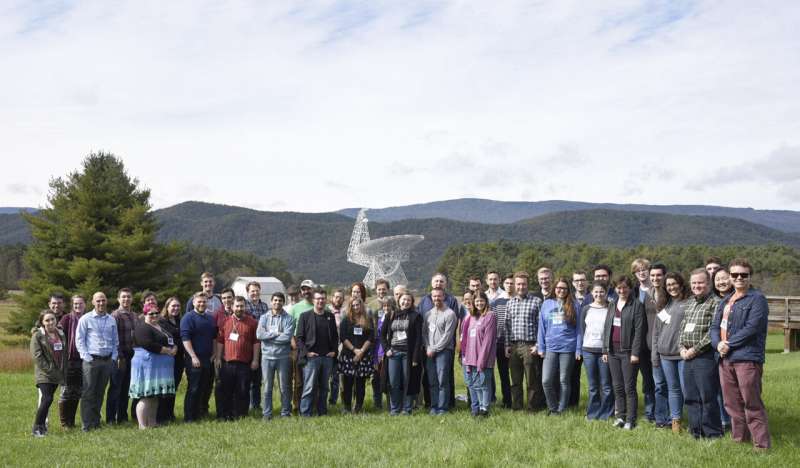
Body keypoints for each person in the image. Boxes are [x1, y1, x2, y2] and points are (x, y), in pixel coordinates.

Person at [712, 259, 771, 450]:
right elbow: (714, 327)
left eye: (743, 275)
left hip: (747, 358)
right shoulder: (725, 301)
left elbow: (752, 328)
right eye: (735, 275)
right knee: (731, 404)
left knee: (751, 403)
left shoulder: (757, 299)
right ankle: (740, 440)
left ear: (749, 277)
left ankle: (761, 445)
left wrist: (728, 343)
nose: (739, 278)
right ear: (730, 277)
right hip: (725, 359)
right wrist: (717, 344)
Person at [679, 269, 723, 439]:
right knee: (690, 396)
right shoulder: (690, 302)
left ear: (708, 283)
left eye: (700, 282)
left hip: (704, 356)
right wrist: (681, 348)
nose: (697, 286)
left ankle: (712, 432)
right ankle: (695, 430)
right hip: (686, 355)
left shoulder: (716, 303)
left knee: (707, 396)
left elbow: (713, 331)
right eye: (694, 283)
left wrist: (694, 349)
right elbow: (682, 329)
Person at [602, 276, 643, 430]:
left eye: (625, 287)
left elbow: (639, 331)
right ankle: (620, 417)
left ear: (630, 288)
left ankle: (631, 420)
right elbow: (607, 327)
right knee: (617, 386)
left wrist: (635, 352)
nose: (622, 290)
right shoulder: (612, 304)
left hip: (628, 352)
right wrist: (605, 349)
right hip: (612, 351)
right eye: (619, 288)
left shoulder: (636, 305)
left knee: (629, 388)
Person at [651, 272, 690, 433]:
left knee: (686, 388)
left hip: (682, 354)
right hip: (665, 354)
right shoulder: (664, 305)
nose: (672, 287)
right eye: (668, 285)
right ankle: (676, 422)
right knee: (673, 389)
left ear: (681, 284)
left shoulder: (690, 303)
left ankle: (695, 420)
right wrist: (655, 355)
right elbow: (656, 332)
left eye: (674, 284)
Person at [538, 277, 582, 415]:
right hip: (550, 347)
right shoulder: (547, 304)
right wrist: (541, 347)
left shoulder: (574, 305)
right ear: (554, 289)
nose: (561, 290)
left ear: (568, 290)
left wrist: (578, 348)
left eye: (564, 288)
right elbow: (542, 327)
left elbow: (579, 329)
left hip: (568, 348)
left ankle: (562, 409)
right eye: (558, 288)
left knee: (564, 380)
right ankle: (552, 408)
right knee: (546, 380)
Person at [129, 303, 177, 429]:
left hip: (159, 368)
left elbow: (170, 339)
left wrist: (175, 347)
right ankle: (142, 425)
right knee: (146, 396)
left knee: (155, 396)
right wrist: (167, 351)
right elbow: (147, 343)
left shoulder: (160, 326)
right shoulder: (142, 327)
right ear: (145, 314)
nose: (154, 315)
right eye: (151, 313)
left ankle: (152, 422)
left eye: (156, 313)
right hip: (147, 367)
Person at [76, 292, 119, 431]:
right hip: (91, 361)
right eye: (98, 301)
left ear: (106, 301)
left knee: (100, 393)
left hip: (107, 361)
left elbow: (115, 341)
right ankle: (86, 424)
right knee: (88, 393)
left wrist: (113, 358)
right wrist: (87, 357)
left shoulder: (111, 319)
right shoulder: (86, 319)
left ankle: (96, 422)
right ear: (93, 302)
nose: (101, 303)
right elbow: (80, 340)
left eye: (103, 300)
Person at [504, 271, 545, 412]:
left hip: (530, 346)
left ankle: (532, 408)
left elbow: (541, 326)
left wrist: (538, 345)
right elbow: (507, 326)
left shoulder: (536, 301)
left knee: (531, 380)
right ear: (515, 285)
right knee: (515, 381)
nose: (521, 287)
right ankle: (517, 407)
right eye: (518, 284)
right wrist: (507, 345)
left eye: (523, 284)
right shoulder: (510, 303)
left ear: (528, 285)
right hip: (514, 346)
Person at [417, 273, 460, 410]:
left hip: (443, 351)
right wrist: (428, 347)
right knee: (432, 381)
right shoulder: (428, 313)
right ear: (431, 297)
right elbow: (424, 332)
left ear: (444, 297)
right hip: (429, 351)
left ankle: (443, 407)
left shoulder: (450, 314)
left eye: (439, 296)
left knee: (442, 381)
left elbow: (448, 335)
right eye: (434, 296)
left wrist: (434, 348)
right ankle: (434, 406)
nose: (437, 298)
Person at [214, 296, 259, 420]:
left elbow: (256, 342)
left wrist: (255, 360)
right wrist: (218, 358)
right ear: (232, 307)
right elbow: (220, 341)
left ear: (245, 307)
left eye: (242, 306)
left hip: (245, 362)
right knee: (226, 390)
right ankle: (226, 414)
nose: (239, 308)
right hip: (228, 362)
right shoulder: (225, 321)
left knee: (243, 390)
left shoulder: (253, 322)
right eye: (237, 306)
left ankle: (241, 415)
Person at [296, 288, 339, 417]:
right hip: (311, 358)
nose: (320, 301)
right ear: (313, 300)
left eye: (323, 298)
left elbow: (335, 337)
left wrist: (334, 352)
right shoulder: (305, 316)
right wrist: (307, 353)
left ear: (326, 300)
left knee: (325, 387)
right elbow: (299, 338)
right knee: (309, 387)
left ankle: (322, 412)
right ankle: (305, 413)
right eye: (318, 298)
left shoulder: (330, 316)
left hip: (327, 358)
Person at [382, 292, 423, 415]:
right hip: (393, 353)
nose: (406, 302)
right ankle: (395, 408)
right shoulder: (391, 315)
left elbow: (418, 339)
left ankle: (407, 408)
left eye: (408, 300)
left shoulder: (416, 316)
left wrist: (415, 357)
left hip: (408, 354)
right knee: (394, 382)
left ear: (412, 302)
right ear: (399, 301)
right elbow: (382, 335)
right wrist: (386, 349)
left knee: (407, 381)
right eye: (403, 300)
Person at [637, 262, 668, 427]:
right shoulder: (647, 295)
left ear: (664, 276)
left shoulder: (669, 295)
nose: (655, 278)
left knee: (661, 383)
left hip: (663, 346)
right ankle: (651, 413)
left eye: (658, 275)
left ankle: (663, 416)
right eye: (653, 275)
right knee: (648, 382)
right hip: (645, 346)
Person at [180, 292, 218, 422]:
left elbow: (214, 337)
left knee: (204, 387)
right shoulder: (188, 318)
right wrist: (193, 356)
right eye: (199, 302)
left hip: (208, 358)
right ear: (193, 302)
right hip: (194, 359)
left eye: (204, 302)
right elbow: (185, 339)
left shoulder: (210, 318)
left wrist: (214, 353)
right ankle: (189, 417)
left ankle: (199, 414)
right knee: (194, 388)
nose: (202, 304)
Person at [257, 292, 295, 420]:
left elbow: (287, 337)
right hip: (267, 357)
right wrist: (277, 334)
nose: (277, 302)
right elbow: (260, 335)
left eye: (280, 300)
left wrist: (269, 337)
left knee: (284, 387)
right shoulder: (264, 318)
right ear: (271, 302)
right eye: (275, 300)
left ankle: (285, 412)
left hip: (283, 357)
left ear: (283, 302)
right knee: (267, 387)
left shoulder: (289, 319)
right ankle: (267, 413)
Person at [30, 310, 67, 437]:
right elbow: (37, 357)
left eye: (52, 319)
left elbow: (64, 354)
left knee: (48, 400)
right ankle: (37, 428)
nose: (50, 322)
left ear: (56, 320)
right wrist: (50, 370)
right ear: (42, 322)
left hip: (57, 374)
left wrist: (62, 372)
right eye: (47, 320)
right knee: (47, 398)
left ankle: (42, 428)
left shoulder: (61, 334)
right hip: (44, 374)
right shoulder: (37, 336)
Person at [581, 281, 614, 420]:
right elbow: (583, 329)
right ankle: (593, 413)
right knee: (593, 385)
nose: (599, 294)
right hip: (588, 351)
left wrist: (606, 350)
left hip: (604, 351)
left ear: (606, 293)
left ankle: (606, 413)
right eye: (596, 292)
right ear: (591, 293)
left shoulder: (610, 308)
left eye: (602, 291)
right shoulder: (586, 309)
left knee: (606, 385)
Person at [460, 291, 497, 417]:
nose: (479, 303)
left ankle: (485, 409)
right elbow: (468, 339)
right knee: (476, 385)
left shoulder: (490, 316)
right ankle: (480, 407)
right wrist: (467, 359)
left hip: (484, 358)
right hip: (471, 358)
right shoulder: (472, 317)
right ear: (473, 303)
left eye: (481, 300)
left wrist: (482, 360)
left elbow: (488, 340)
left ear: (486, 301)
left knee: (484, 384)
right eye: (477, 301)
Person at [338, 296, 375, 413]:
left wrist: (361, 351)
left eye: (357, 305)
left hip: (363, 356)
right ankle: (347, 407)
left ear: (361, 305)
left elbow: (370, 337)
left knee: (360, 384)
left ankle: (358, 406)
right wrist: (355, 350)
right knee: (347, 384)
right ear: (350, 307)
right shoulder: (346, 320)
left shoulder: (367, 319)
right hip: (348, 355)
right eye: (353, 305)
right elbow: (343, 337)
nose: (355, 307)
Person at [107, 288, 135, 425]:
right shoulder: (115, 316)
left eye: (128, 297)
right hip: (119, 356)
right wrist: (118, 355)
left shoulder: (134, 315)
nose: (126, 299)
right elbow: (112, 338)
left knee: (126, 388)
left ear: (132, 299)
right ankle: (111, 418)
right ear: (118, 299)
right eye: (123, 297)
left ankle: (122, 417)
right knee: (115, 387)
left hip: (131, 355)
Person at [57, 294, 85, 428]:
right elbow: (58, 335)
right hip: (68, 360)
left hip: (83, 360)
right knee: (66, 392)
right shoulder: (67, 319)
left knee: (77, 392)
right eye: (75, 304)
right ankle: (64, 423)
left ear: (85, 304)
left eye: (80, 303)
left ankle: (71, 422)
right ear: (72, 305)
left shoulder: (87, 318)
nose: (78, 306)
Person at [289, 279, 315, 413]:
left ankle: (312, 406)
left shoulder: (319, 306)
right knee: (298, 381)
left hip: (315, 349)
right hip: (298, 349)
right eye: (303, 289)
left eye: (308, 289)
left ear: (313, 290)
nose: (306, 291)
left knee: (312, 381)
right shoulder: (295, 308)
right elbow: (290, 329)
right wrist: (294, 346)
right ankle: (297, 406)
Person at [157, 297, 184, 423]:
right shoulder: (161, 322)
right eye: (173, 306)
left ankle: (170, 414)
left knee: (173, 388)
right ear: (167, 307)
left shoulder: (181, 321)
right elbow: (163, 339)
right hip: (165, 360)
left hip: (178, 360)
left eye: (178, 306)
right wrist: (176, 345)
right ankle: (161, 415)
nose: (176, 308)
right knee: (165, 388)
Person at [244, 281, 269, 411]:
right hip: (247, 346)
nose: (255, 293)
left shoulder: (265, 307)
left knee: (258, 378)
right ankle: (247, 404)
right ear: (248, 292)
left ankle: (256, 404)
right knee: (246, 378)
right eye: (252, 291)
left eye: (257, 290)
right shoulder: (244, 306)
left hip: (262, 346)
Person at [568, 270, 590, 408]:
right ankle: (572, 403)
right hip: (573, 344)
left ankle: (596, 404)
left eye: (582, 280)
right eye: (576, 280)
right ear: (573, 283)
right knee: (573, 376)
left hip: (592, 344)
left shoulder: (594, 297)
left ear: (587, 282)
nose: (580, 283)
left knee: (595, 377)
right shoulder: (569, 299)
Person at [491, 282, 512, 408]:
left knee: (517, 375)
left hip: (515, 342)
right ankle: (507, 401)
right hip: (500, 342)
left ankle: (517, 400)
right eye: (507, 283)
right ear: (504, 284)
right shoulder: (497, 302)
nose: (510, 285)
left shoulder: (518, 300)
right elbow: (492, 323)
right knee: (504, 374)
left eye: (512, 283)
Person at [328, 289, 346, 406]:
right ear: (332, 298)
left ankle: (333, 401)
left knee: (337, 376)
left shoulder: (345, 312)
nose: (338, 299)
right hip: (327, 346)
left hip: (341, 347)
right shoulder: (326, 310)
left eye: (340, 297)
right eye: (336, 297)